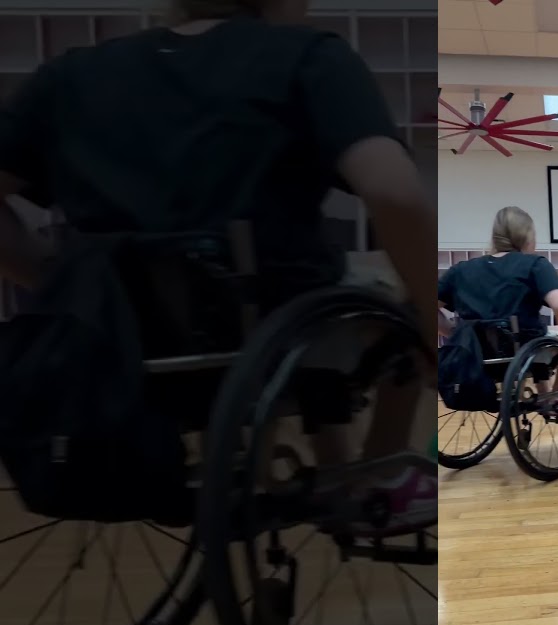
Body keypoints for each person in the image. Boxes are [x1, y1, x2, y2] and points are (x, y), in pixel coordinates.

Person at [0, 0, 439, 535]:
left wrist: (55, 284)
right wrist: (431, 317)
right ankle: (381, 473)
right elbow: (396, 193)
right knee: (402, 296)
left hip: (114, 341)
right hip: (273, 324)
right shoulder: (308, 57)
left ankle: (321, 461)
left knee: (293, 297)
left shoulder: (69, 76)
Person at [437, 206, 558, 413]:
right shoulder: (534, 265)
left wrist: (455, 334)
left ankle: (543, 393)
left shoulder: (461, 270)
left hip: (474, 355)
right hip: (523, 352)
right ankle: (555, 397)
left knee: (536, 340)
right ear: (527, 236)